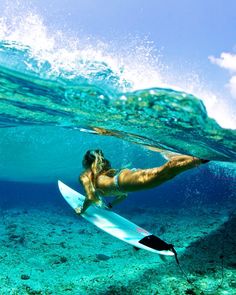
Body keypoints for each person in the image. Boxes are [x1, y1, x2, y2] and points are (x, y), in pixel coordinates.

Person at [77, 149, 209, 214]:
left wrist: (82, 210)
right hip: (125, 178)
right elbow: (123, 195)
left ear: (87, 163)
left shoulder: (87, 176)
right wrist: (111, 206)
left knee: (166, 171)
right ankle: (198, 157)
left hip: (123, 182)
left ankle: (201, 157)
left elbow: (90, 196)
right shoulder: (104, 173)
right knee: (167, 174)